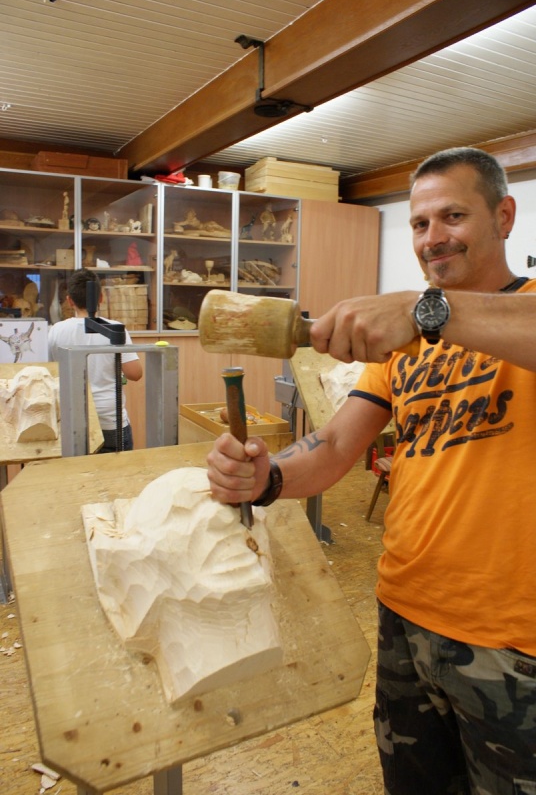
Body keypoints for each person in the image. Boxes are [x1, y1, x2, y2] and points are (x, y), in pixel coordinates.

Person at [206, 147, 536, 795]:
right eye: (419, 223)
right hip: (405, 616)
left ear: (504, 215)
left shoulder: (510, 313)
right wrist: (267, 477)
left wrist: (427, 310)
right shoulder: (406, 348)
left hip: (513, 642)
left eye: (453, 216)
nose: (433, 237)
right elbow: (334, 446)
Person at [48, 269, 143, 452]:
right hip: (110, 421)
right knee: (118, 470)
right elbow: (135, 373)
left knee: (77, 470)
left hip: (73, 421)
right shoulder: (115, 329)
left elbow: (52, 371)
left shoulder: (56, 330)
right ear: (100, 298)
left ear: (69, 301)